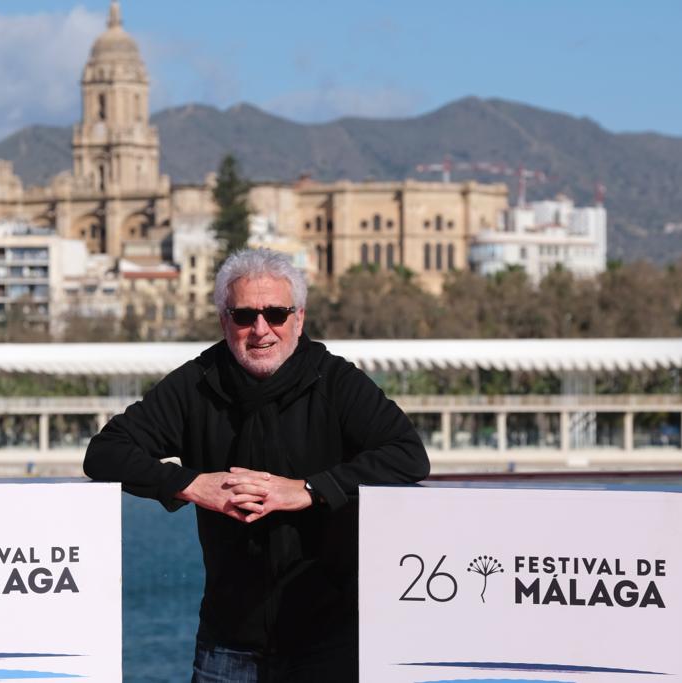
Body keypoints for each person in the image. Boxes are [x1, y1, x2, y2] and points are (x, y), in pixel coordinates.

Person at [83, 248, 429, 682]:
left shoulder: (336, 381)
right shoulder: (196, 383)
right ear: (224, 320)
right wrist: (190, 484)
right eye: (244, 315)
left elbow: (407, 454)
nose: (261, 330)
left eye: (276, 314)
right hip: (227, 641)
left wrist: (308, 490)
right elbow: (105, 452)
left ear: (299, 318)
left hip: (330, 639)